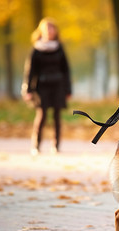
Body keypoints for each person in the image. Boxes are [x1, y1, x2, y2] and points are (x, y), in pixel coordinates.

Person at [22, 17, 71, 156]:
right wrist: (28, 89)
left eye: (52, 28)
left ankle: (56, 146)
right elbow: (30, 70)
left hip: (58, 86)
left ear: (55, 31)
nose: (50, 31)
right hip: (42, 87)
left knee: (57, 116)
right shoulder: (36, 49)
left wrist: (68, 89)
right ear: (41, 31)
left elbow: (66, 69)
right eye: (47, 28)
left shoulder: (59, 47)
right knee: (42, 115)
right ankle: (36, 146)